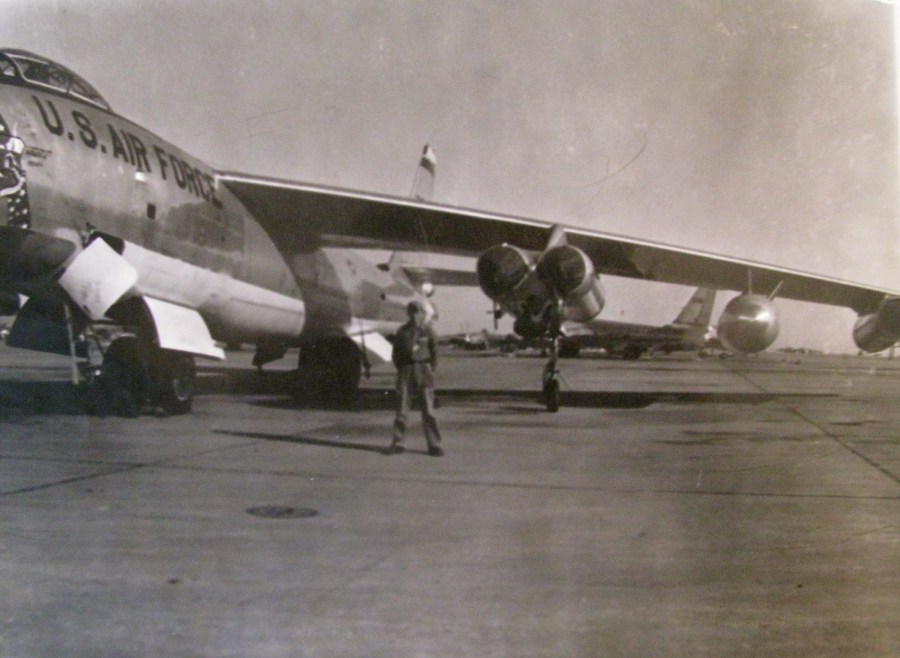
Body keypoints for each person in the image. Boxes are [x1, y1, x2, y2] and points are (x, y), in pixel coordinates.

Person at [387, 300, 443, 456]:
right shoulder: (402, 331)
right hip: (406, 369)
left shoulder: (428, 332)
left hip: (423, 369)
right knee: (402, 409)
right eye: (412, 311)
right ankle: (398, 442)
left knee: (428, 410)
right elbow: (396, 354)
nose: (414, 315)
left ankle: (434, 444)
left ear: (423, 314)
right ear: (408, 314)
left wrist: (429, 369)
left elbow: (435, 353)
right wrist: (403, 369)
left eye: (418, 311)